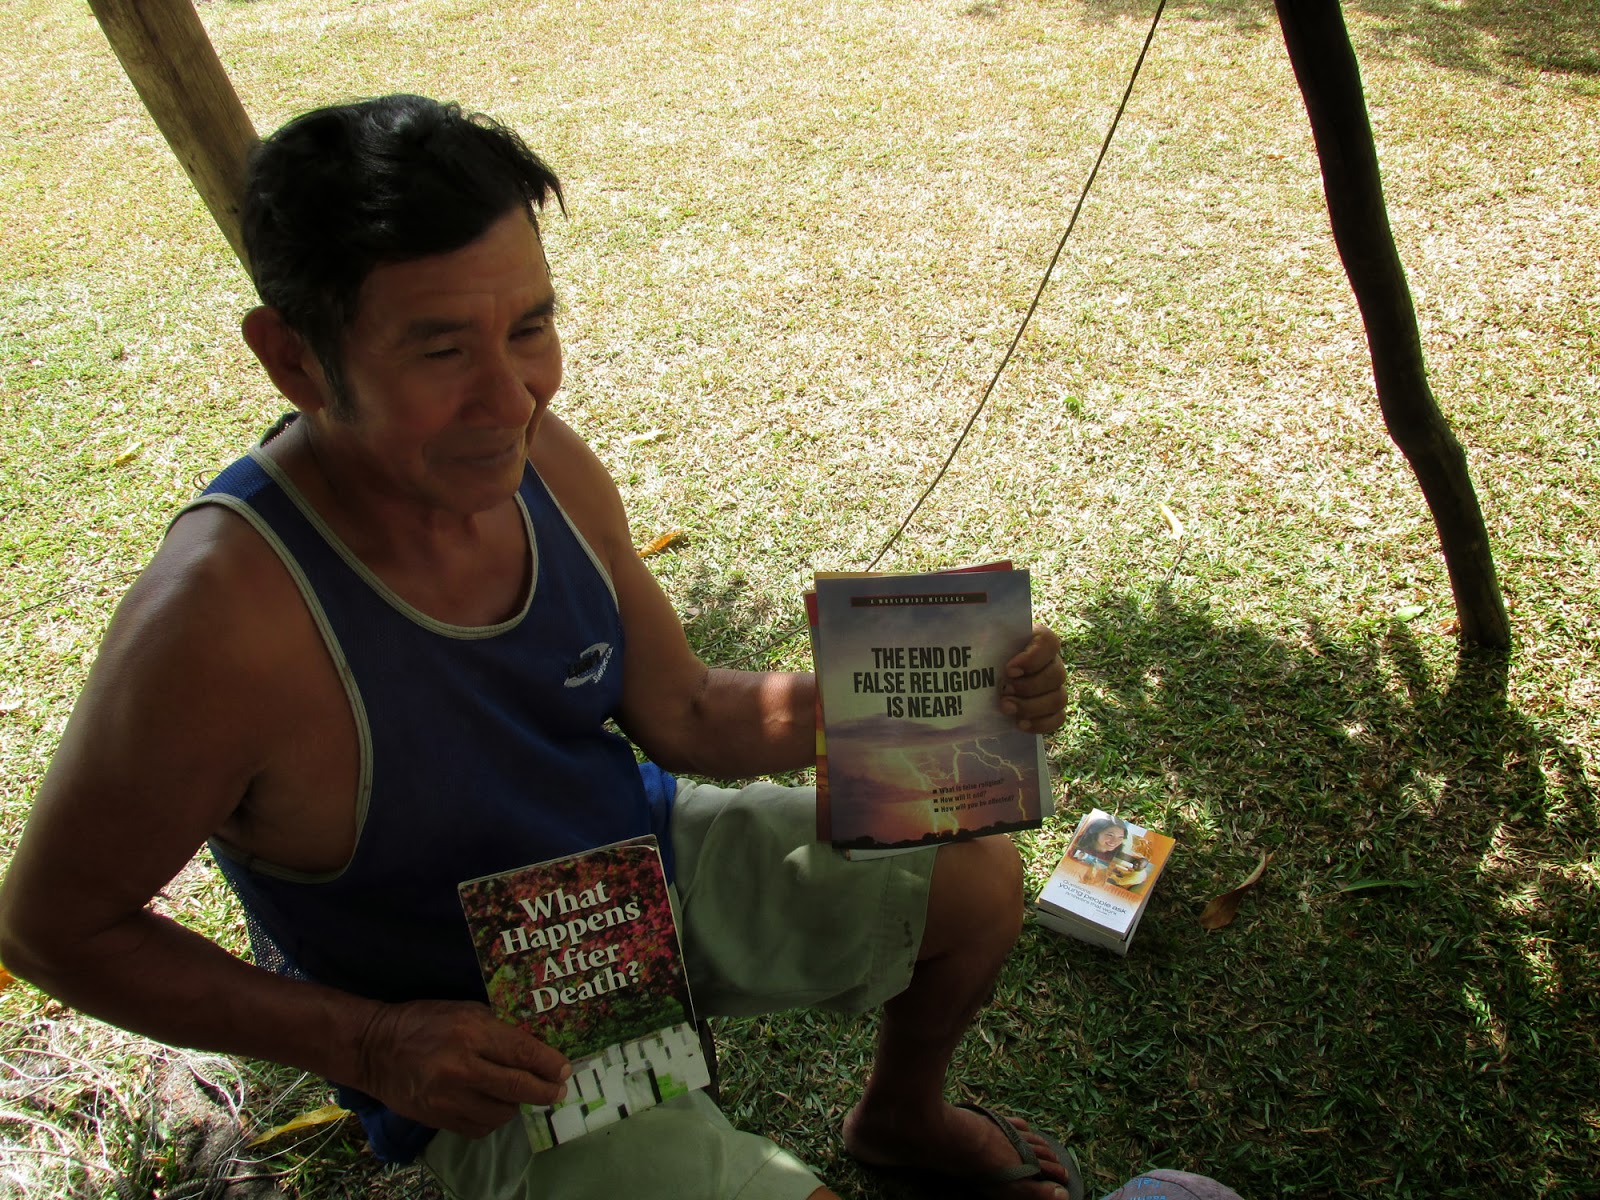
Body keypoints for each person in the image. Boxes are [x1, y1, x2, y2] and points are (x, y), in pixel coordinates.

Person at [0, 94, 1081, 1200]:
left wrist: (949, 695)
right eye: (440, 349)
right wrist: (374, 1044)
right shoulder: (221, 620)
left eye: (529, 327)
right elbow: (51, 929)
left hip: (629, 867)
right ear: (295, 362)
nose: (512, 396)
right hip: (477, 1026)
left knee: (970, 877)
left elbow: (688, 713)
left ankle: (900, 1119)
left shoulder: (541, 461)